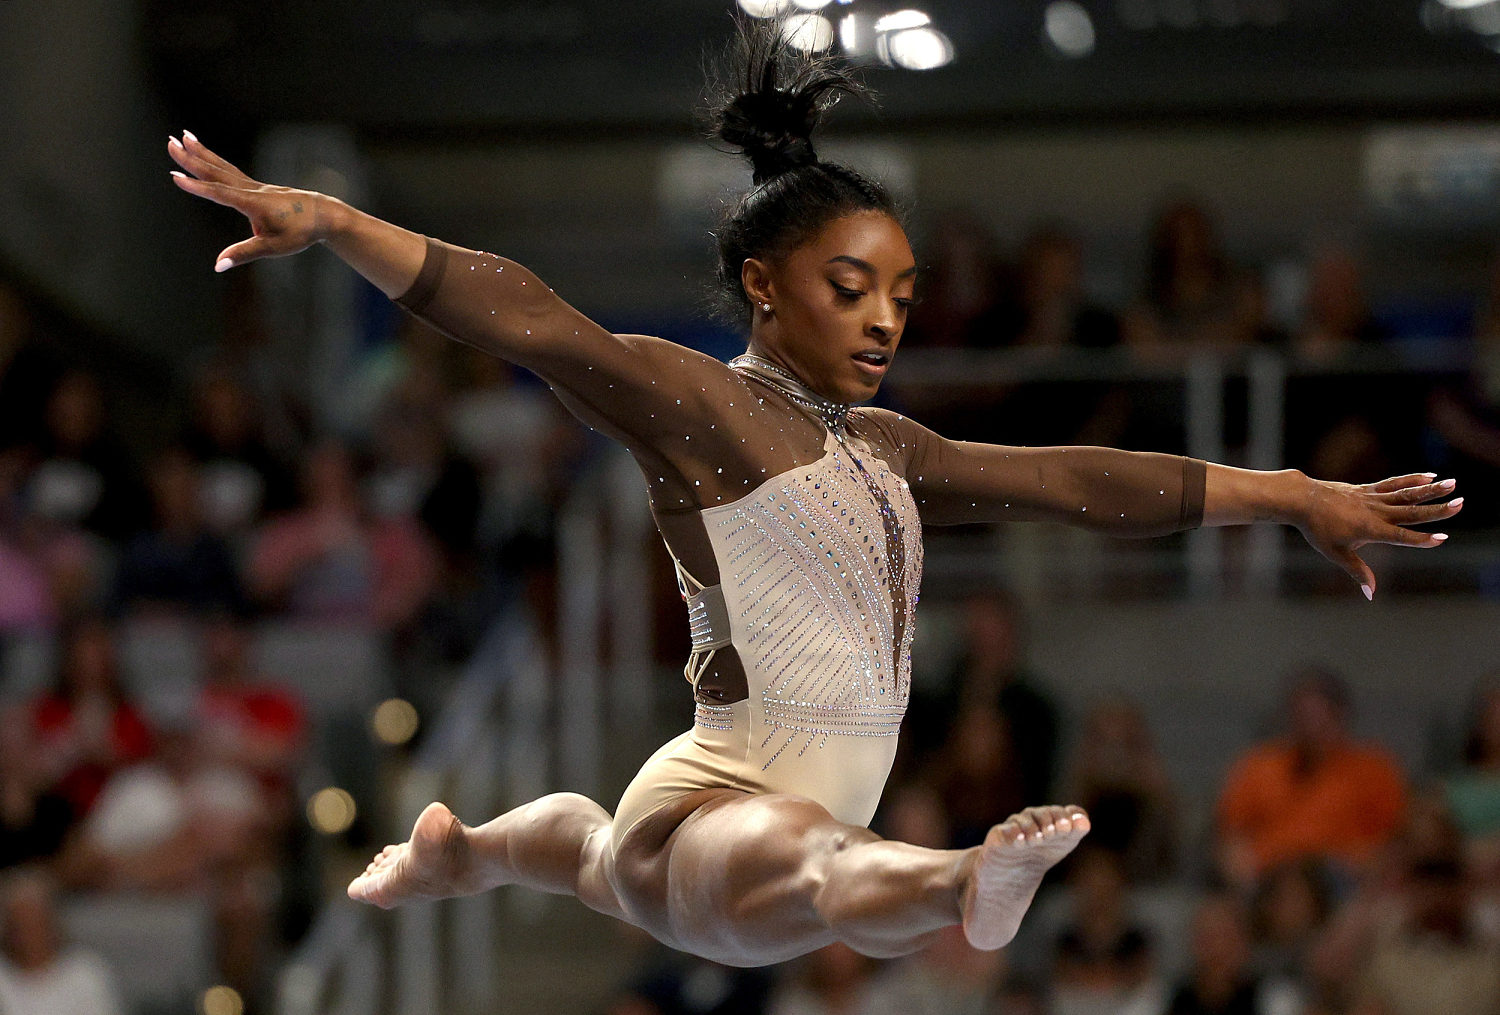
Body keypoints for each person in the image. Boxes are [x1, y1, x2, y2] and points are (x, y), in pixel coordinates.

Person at [168, 21, 1460, 967]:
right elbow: (543, 327)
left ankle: (470, 850)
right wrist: (338, 224)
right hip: (720, 819)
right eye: (853, 289)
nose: (887, 320)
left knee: (603, 852)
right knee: (804, 860)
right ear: (768, 288)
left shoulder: (886, 453)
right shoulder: (703, 409)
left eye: (900, 293)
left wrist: (1292, 490)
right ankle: (964, 874)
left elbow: (1074, 481)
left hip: (727, 839)